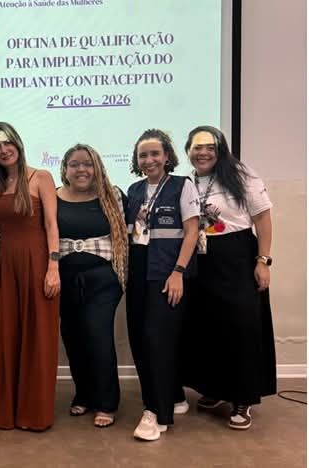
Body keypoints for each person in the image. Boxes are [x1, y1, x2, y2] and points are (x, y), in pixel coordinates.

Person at [182, 125, 276, 430]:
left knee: (241, 327)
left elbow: (262, 218)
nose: (203, 153)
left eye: (210, 147)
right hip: (202, 259)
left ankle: (242, 398)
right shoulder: (188, 181)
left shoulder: (241, 176)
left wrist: (263, 261)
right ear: (188, 151)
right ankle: (216, 389)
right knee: (208, 327)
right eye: (197, 147)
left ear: (221, 149)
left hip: (237, 257)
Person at [125, 129, 200, 441]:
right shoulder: (134, 190)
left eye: (155, 153)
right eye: (143, 155)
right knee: (140, 339)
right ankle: (173, 395)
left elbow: (192, 231)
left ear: (167, 156)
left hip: (167, 273)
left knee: (158, 340)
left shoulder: (182, 186)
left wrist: (178, 272)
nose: (149, 159)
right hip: (138, 272)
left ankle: (156, 413)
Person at [0, 121, 60, 431]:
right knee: (8, 335)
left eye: (7, 143)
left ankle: (34, 414)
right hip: (6, 266)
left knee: (38, 336)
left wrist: (53, 266)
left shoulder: (40, 177)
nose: (3, 150)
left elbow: (52, 225)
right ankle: (9, 411)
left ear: (17, 143)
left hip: (37, 262)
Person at [56, 144, 128, 428]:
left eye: (87, 164)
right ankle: (84, 394)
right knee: (73, 338)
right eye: (74, 164)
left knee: (97, 336)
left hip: (103, 279)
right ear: (65, 169)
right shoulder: (53, 197)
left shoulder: (112, 196)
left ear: (96, 167)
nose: (81, 169)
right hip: (64, 278)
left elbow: (126, 235)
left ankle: (106, 402)